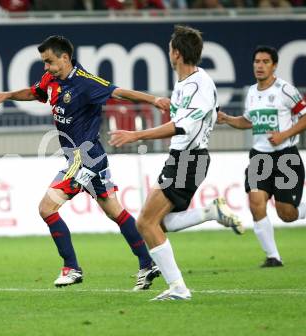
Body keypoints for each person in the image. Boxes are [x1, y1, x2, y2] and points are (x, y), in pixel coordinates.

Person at [0, 35, 171, 290]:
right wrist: (6, 95)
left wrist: (153, 100)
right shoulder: (51, 79)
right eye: (43, 62)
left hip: (85, 158)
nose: (45, 67)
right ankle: (147, 262)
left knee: (46, 208)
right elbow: (34, 92)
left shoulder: (86, 83)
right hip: (86, 159)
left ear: (65, 58)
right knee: (114, 211)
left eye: (49, 61)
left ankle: (72, 267)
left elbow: (119, 92)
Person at [109, 25, 243, 301]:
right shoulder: (188, 81)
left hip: (188, 160)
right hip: (182, 159)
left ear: (177, 54)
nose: (168, 52)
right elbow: (190, 115)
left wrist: (136, 135)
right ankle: (210, 212)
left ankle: (179, 289)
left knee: (145, 223)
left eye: (170, 48)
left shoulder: (199, 85)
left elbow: (179, 127)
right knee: (160, 223)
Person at [217, 45, 306, 267]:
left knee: (287, 214)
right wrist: (229, 119)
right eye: (257, 62)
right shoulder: (251, 92)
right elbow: (249, 122)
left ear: (274, 65)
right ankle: (273, 257)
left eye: (265, 62)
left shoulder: (285, 90)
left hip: (286, 157)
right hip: (260, 158)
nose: (260, 66)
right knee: (256, 202)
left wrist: (284, 134)